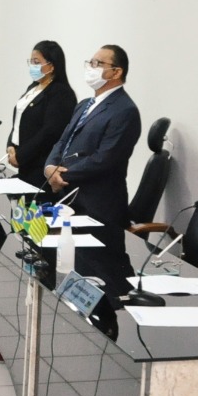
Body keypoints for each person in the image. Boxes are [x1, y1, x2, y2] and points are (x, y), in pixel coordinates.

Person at [44, 44, 141, 294]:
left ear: (116, 72)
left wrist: (61, 174)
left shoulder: (125, 110)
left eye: (98, 64)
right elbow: (62, 141)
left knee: (102, 279)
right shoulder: (85, 104)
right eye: (90, 62)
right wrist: (50, 167)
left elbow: (105, 159)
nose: (91, 68)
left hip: (100, 206)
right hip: (71, 199)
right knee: (74, 274)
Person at [6, 40, 76, 192]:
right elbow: (20, 118)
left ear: (52, 65)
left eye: (36, 62)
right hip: (24, 165)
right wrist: (11, 145)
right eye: (31, 62)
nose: (32, 66)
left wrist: (21, 156)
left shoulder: (61, 93)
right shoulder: (33, 87)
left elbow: (50, 132)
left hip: (40, 167)